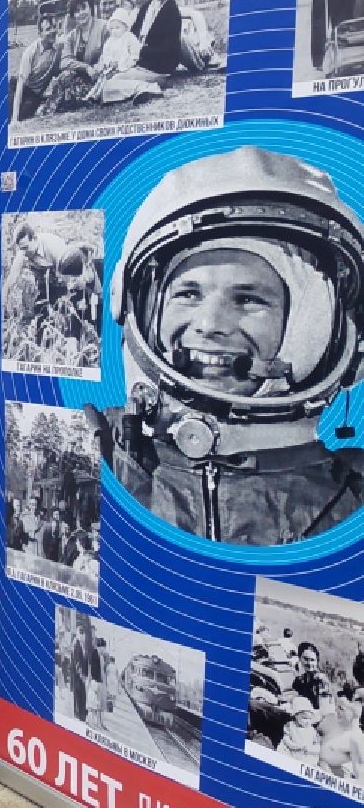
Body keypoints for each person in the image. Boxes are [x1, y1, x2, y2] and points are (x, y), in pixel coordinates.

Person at [90, 146, 364, 544]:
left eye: (248, 299)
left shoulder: (351, 505)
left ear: (315, 329)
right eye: (188, 294)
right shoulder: (99, 458)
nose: (209, 325)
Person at [16, 2, 64, 121]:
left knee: (24, 115)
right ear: (40, 33)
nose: (52, 31)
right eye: (48, 29)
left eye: (54, 27)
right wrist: (14, 119)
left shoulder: (59, 47)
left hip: (34, 95)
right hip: (21, 87)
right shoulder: (30, 52)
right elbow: (20, 85)